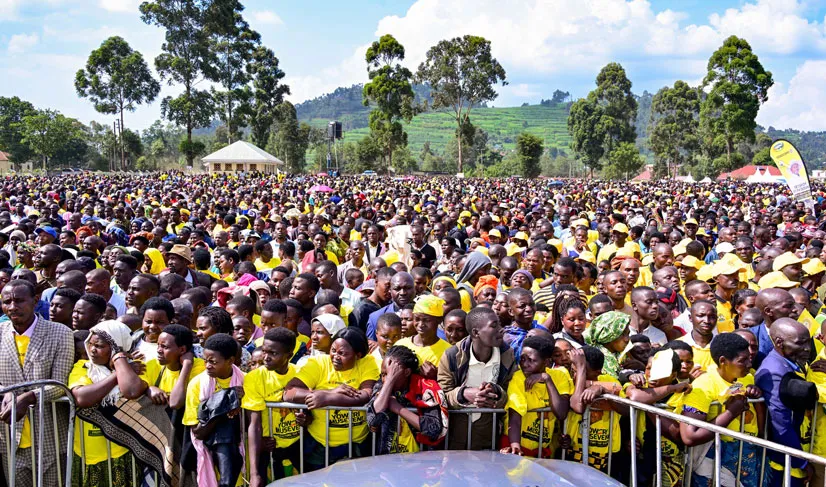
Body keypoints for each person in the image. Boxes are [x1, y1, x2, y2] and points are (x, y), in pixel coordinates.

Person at [0, 279, 74, 487]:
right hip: (10, 438)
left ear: (35, 300)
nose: (12, 307)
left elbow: (60, 383)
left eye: (19, 300)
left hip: (50, 437)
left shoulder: (60, 333)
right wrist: (6, 393)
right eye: (7, 302)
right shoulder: (1, 333)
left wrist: (30, 397)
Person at [284, 328, 378, 470]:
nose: (335, 356)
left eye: (342, 353)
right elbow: (289, 393)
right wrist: (327, 392)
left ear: (358, 355)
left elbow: (366, 395)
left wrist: (329, 398)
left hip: (358, 444)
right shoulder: (318, 363)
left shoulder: (367, 362)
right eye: (333, 350)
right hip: (320, 445)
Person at [69, 320, 147, 487]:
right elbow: (83, 398)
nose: (92, 350)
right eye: (90, 344)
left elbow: (132, 390)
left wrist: (120, 362)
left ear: (116, 346)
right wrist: (116, 376)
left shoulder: (134, 366)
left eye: (100, 346)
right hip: (89, 452)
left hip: (123, 450)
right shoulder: (83, 367)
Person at [681, 332, 764, 487]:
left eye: (749, 359)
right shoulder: (703, 385)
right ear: (723, 361)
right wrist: (731, 412)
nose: (749, 365)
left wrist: (757, 398)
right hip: (716, 459)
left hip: (747, 454)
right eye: (742, 361)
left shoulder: (747, 378)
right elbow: (689, 436)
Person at [437, 307, 516, 450]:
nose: (501, 329)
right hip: (454, 440)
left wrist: (495, 393)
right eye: (494, 325)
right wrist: (465, 394)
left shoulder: (507, 356)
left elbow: (511, 393)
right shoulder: (452, 356)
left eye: (499, 324)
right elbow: (441, 395)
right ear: (475, 332)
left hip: (488, 439)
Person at [755, 318, 817, 487]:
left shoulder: (790, 361)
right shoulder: (776, 372)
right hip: (783, 460)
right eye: (800, 343)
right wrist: (802, 462)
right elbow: (780, 424)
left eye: (808, 342)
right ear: (780, 342)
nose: (807, 348)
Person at [183, 333, 245, 487]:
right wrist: (224, 404)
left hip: (240, 447)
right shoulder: (197, 384)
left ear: (230, 360)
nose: (207, 366)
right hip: (207, 448)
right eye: (205, 361)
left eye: (213, 362)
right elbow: (197, 431)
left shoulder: (246, 381)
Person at [244, 328, 302, 486]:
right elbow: (254, 424)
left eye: (273, 353)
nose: (266, 358)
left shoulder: (301, 373)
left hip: (299, 444)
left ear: (289, 356)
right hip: (267, 448)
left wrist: (307, 417)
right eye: (264, 351)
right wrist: (254, 474)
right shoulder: (254, 377)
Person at [367, 345, 449, 454]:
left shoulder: (426, 387)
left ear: (407, 372)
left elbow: (434, 429)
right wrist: (390, 380)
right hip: (387, 458)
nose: (385, 379)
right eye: (384, 374)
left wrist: (398, 408)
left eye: (392, 373)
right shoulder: (382, 385)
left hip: (422, 460)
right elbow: (373, 419)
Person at [500, 335, 571, 457]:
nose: (525, 364)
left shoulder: (560, 376)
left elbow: (561, 413)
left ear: (547, 361)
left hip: (542, 451)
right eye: (522, 359)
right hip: (516, 446)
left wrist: (547, 379)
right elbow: (515, 417)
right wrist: (515, 446)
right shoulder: (518, 378)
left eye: (531, 360)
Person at [394, 295, 450, 373]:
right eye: (417, 319)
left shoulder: (447, 352)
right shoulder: (401, 345)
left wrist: (436, 377)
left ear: (439, 320)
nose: (420, 324)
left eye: (426, 320)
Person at [582, 310, 631, 379]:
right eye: (621, 334)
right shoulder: (596, 359)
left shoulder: (624, 355)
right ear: (607, 335)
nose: (627, 339)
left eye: (628, 334)